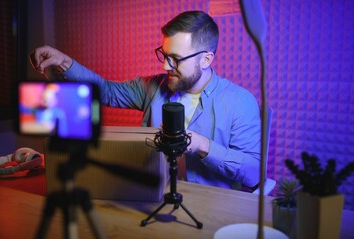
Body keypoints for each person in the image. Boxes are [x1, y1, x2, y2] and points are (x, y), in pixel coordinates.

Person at [29, 10, 261, 190]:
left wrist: (202, 145)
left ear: (206, 59)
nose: (164, 66)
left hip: (207, 205)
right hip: (151, 194)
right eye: (164, 55)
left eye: (175, 59)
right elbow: (107, 91)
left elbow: (253, 174)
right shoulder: (153, 87)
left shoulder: (241, 102)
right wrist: (63, 62)